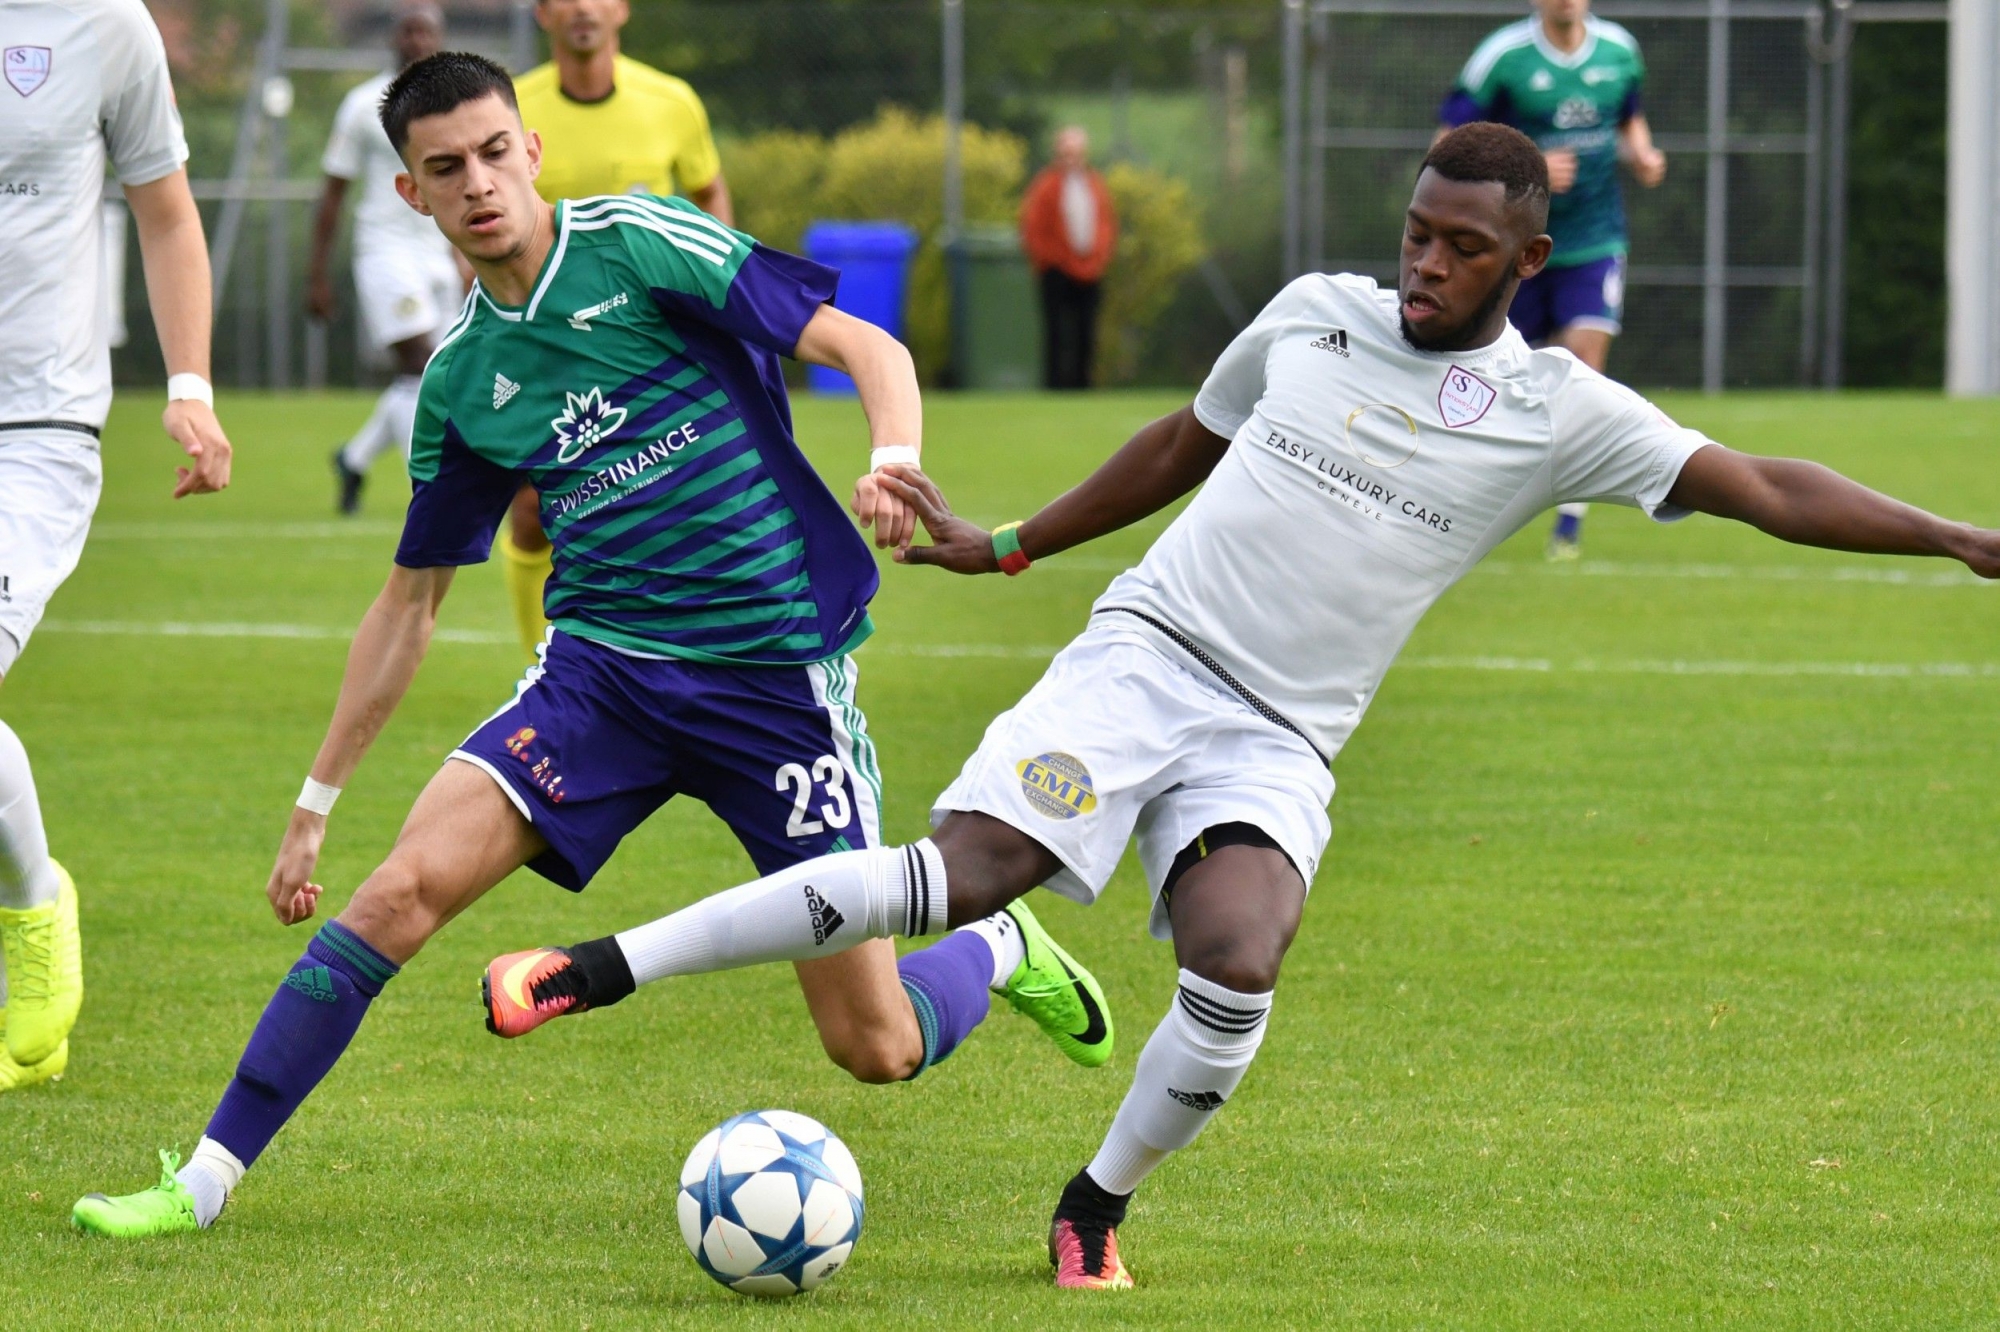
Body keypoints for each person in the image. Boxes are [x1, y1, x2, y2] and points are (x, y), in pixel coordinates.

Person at [466, 122, 2000, 1289]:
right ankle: (594, 969)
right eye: (1415, 233)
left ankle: (1093, 1209)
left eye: (1461, 248)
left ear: (1523, 265)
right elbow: (1175, 446)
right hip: (1148, 657)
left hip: (1282, 735)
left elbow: (1763, 485)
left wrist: (1953, 536)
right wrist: (1005, 548)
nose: (1423, 263)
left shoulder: (1559, 415)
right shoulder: (1314, 314)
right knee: (961, 876)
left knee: (1240, 958)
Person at [71, 52, 1109, 1237]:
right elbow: (408, 604)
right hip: (600, 686)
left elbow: (871, 350)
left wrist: (887, 459)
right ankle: (200, 1182)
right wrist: (315, 800)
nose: (477, 185)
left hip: (774, 687)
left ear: (532, 152)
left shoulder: (638, 245)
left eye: (493, 153)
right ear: (410, 196)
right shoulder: (465, 379)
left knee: (872, 1047)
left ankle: (985, 944)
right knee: (395, 896)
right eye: (444, 169)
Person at [0, 0, 232, 1093]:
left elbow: (167, 211)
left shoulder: (105, 23)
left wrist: (189, 385)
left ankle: (32, 906)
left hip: (32, 431)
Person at [498, 0, 736, 657]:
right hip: (544, 347)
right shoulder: (509, 108)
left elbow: (709, 190)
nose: (582, 9)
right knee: (530, 514)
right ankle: (537, 668)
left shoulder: (672, 102)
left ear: (621, 9)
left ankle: (681, 657)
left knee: (664, 507)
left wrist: (718, 278)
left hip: (651, 350)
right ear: (542, 13)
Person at [1440, 0, 1664, 559]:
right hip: (1516, 244)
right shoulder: (1503, 59)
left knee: (1585, 361)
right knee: (1506, 376)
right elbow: (1449, 145)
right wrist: (1530, 163)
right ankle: (1457, 501)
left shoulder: (1619, 52)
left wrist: (1641, 152)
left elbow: (1629, 115)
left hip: (1594, 238)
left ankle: (1568, 521)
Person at [313, 2, 457, 516]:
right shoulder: (362, 105)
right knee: (419, 365)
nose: (418, 40)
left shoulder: (454, 105)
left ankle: (353, 459)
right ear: (395, 40)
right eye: (409, 31)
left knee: (440, 371)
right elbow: (332, 191)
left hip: (437, 250)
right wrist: (318, 275)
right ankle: (430, 488)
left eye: (427, 32)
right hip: (384, 251)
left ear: (439, 40)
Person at [1020, 126, 1117, 391]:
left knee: (1086, 332)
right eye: (1065, 153)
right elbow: (1033, 229)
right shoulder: (1046, 186)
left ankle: (1083, 385)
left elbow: (1106, 224)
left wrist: (1098, 257)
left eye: (1075, 153)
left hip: (1091, 269)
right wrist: (1052, 261)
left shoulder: (1094, 184)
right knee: (1056, 331)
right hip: (1056, 271)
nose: (1070, 159)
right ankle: (1056, 386)